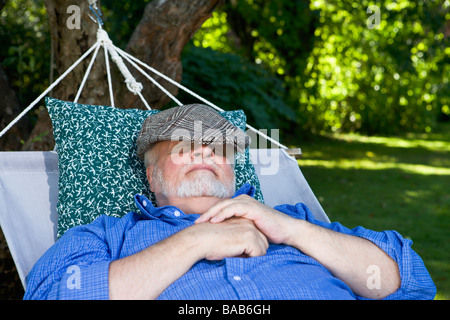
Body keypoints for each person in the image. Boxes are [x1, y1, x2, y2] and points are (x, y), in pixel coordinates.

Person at [24, 104, 436, 300]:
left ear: (234, 172)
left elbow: (407, 280)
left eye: (217, 148)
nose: (203, 152)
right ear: (152, 175)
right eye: (184, 146)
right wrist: (195, 242)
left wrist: (290, 230)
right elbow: (52, 296)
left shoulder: (294, 223)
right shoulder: (108, 236)